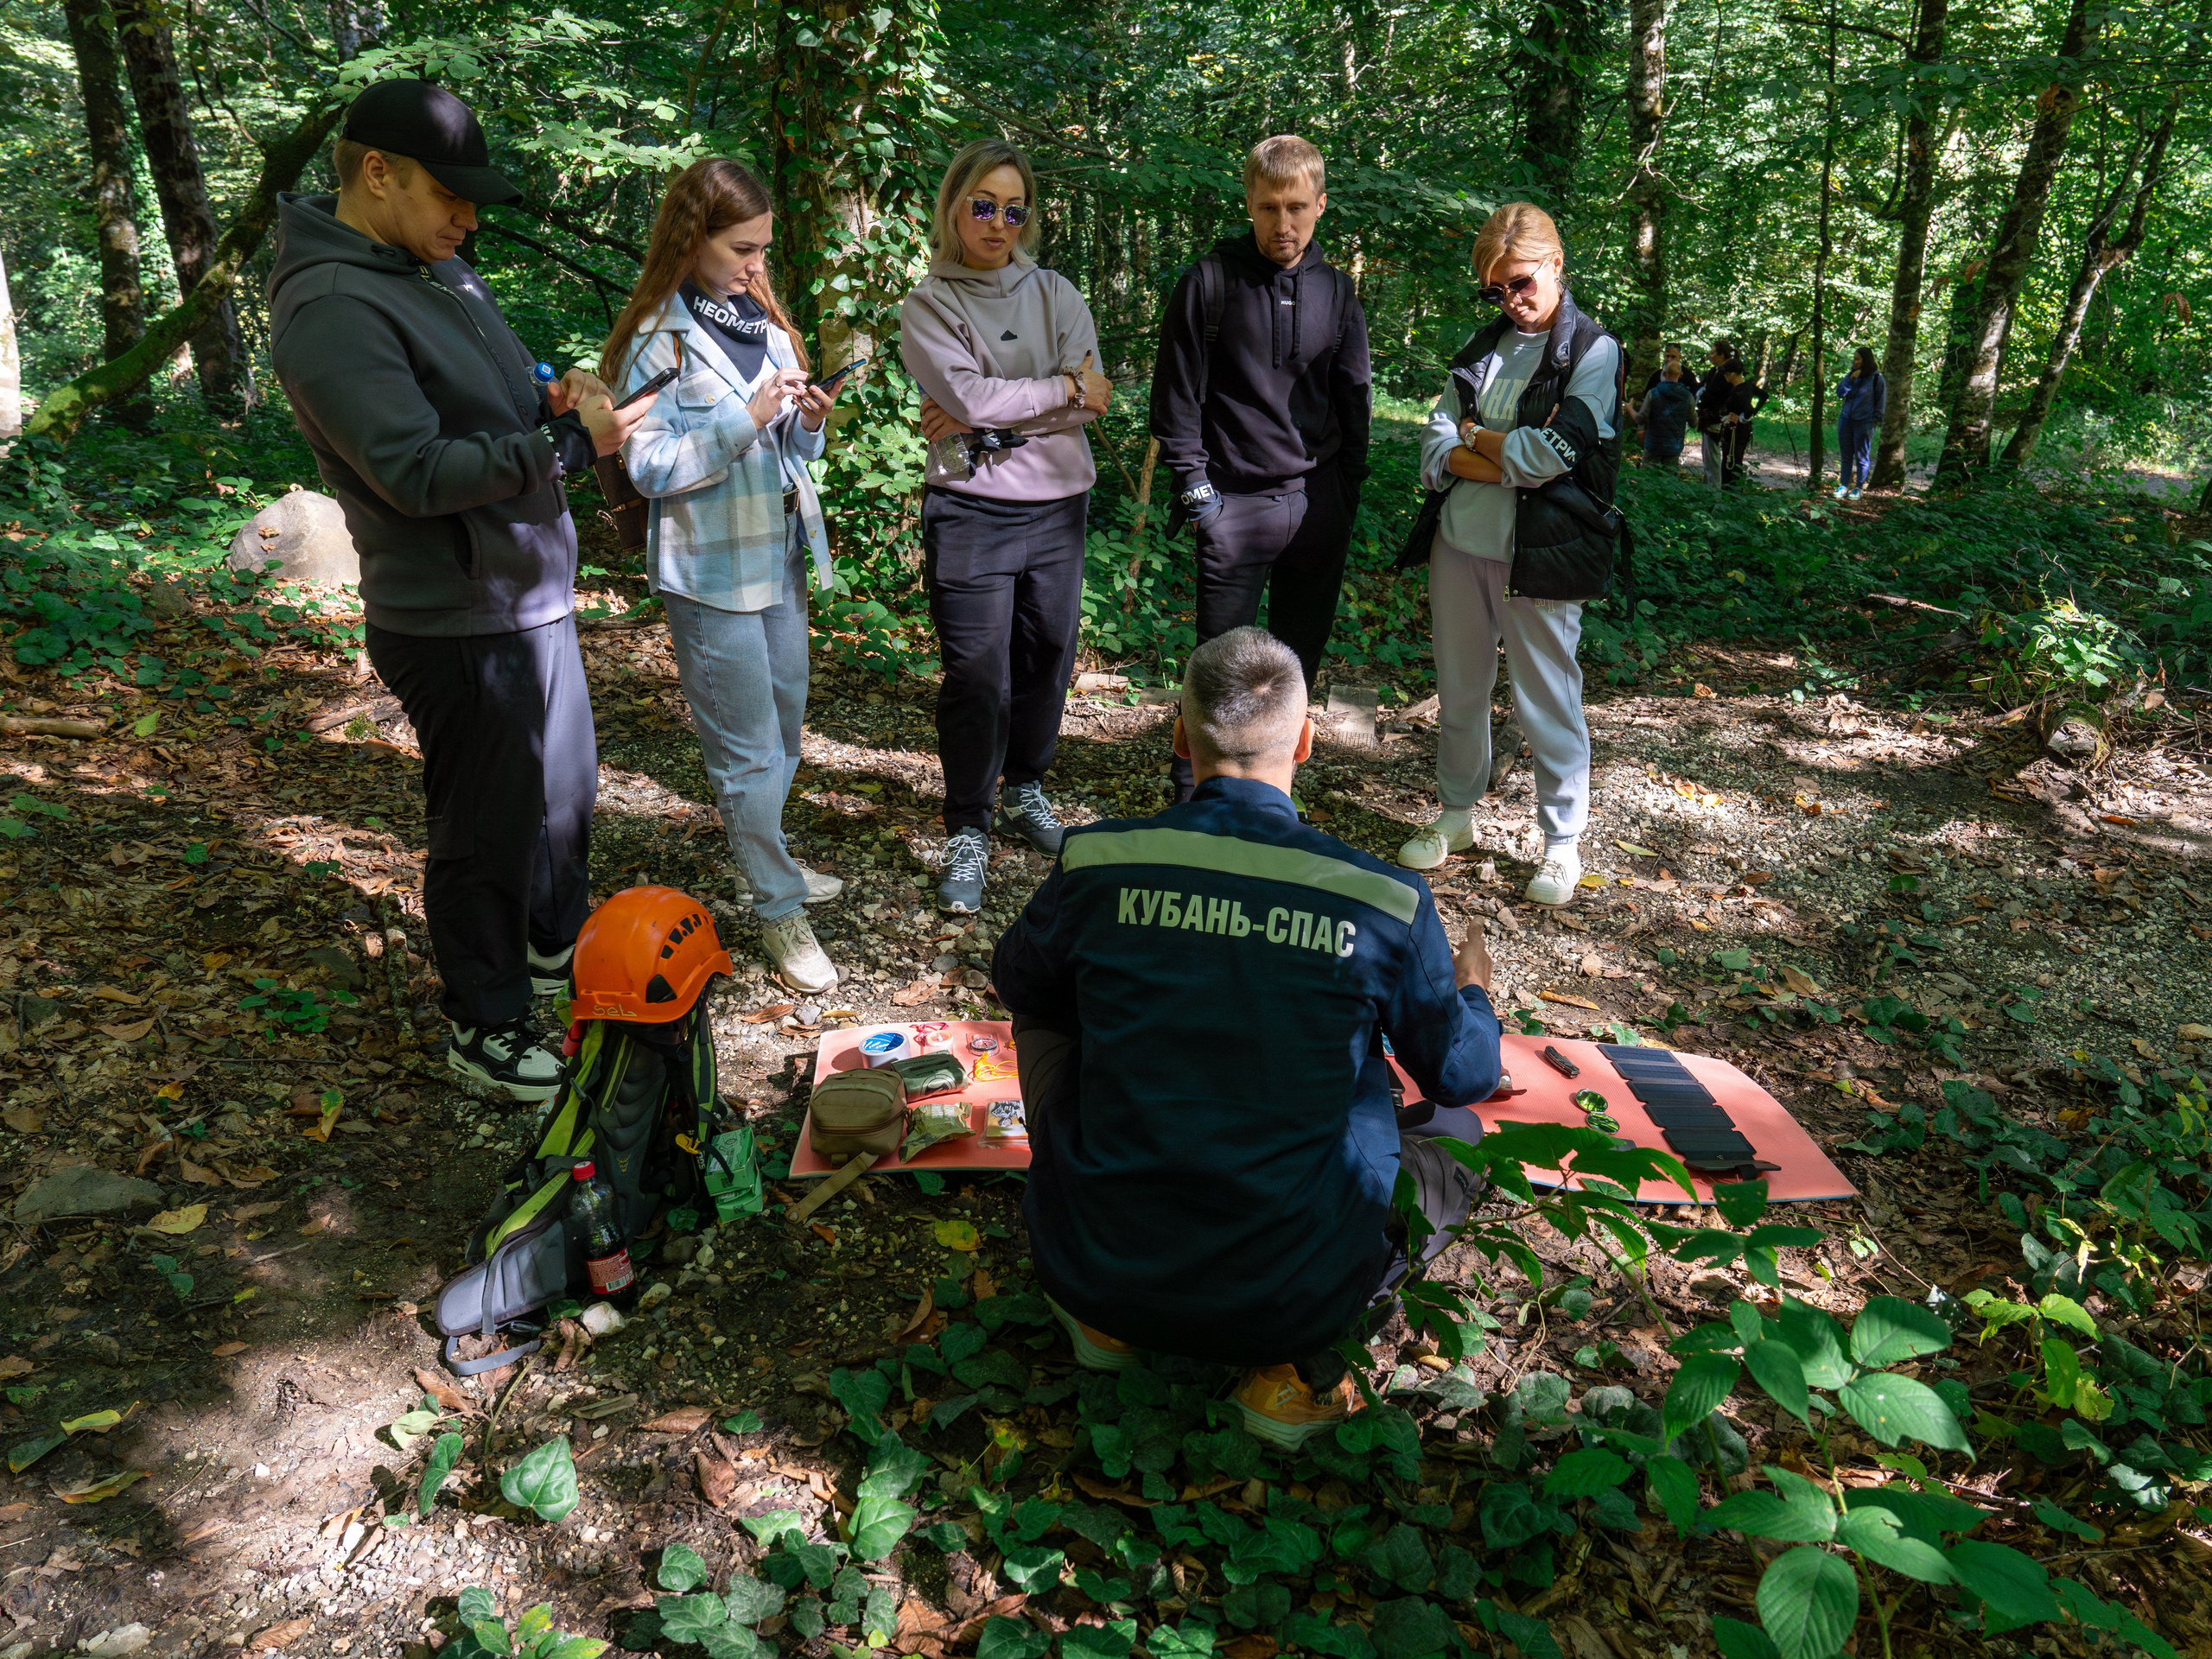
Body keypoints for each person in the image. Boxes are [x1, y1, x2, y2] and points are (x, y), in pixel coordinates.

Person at [990, 626, 1502, 1445]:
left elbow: (1019, 985)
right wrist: (1473, 995)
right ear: (1304, 739)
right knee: (1456, 1135)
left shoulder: (1097, 860)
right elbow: (1464, 1073)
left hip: (1092, 1261)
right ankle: (1289, 1373)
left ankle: (1110, 1325)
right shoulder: (1382, 901)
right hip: (1292, 1291)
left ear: (1180, 737)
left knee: (1043, 1006)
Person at [268, 80, 648, 1102]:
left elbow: (495, 382)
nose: (469, 217)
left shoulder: (431, 268)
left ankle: (550, 952)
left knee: (561, 799)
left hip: (526, 593)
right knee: (485, 832)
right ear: (377, 173)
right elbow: (417, 471)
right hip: (455, 613)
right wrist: (568, 444)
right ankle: (483, 1026)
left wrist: (549, 390)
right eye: (452, 193)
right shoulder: (332, 307)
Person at [600, 161, 850, 995]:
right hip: (709, 571)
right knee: (745, 755)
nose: (755, 267)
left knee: (783, 731)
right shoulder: (655, 339)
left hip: (778, 550)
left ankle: (767, 859)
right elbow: (650, 467)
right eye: (741, 249)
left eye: (763, 249)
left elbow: (791, 453)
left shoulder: (762, 322)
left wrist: (805, 424)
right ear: (692, 238)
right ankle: (778, 905)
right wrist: (743, 420)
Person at [900, 139, 1109, 915]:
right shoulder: (929, 303)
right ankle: (967, 825)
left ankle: (1026, 788)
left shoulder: (1056, 292)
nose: (997, 224)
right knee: (978, 676)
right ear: (954, 205)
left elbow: (1095, 397)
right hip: (970, 511)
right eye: (983, 205)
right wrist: (1049, 392)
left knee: (1049, 657)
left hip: (1058, 506)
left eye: (1013, 210)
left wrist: (990, 405)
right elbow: (994, 397)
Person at [1396, 202, 1619, 909]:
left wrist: (1479, 444)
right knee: (1460, 690)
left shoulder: (1593, 350)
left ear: (1556, 264)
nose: (1510, 300)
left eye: (1520, 282)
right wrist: (1496, 451)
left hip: (1543, 553)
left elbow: (1555, 453)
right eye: (1494, 290)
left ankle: (1562, 844)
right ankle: (1456, 816)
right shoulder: (1480, 349)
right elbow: (1433, 445)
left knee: (1547, 697)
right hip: (1459, 542)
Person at [1148, 134, 1373, 804]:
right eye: (1270, 207)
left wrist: (1343, 496)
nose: (1284, 224)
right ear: (1248, 202)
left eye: (1298, 207)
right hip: (1233, 503)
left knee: (1295, 670)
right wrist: (1198, 494)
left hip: (1315, 501)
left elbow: (1354, 398)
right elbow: (1176, 396)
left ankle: (1273, 798)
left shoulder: (1337, 292)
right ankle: (1193, 795)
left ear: (1321, 205)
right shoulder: (1209, 284)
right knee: (1218, 670)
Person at [1834, 346, 1885, 500]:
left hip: (1864, 422)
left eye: (1858, 359)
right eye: (1854, 359)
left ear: (1866, 360)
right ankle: (1843, 485)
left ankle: (1858, 488)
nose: (1855, 362)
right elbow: (1840, 393)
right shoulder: (1851, 376)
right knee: (1846, 455)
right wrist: (1850, 380)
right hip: (1846, 420)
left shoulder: (1877, 378)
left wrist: (1873, 421)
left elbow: (1880, 403)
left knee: (1862, 456)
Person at [1637, 361, 1698, 471]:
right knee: (1670, 481)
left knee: (1647, 479)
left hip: (1653, 445)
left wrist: (1629, 409)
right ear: (1681, 375)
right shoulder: (1688, 397)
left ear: (1664, 374)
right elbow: (1694, 423)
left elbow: (1640, 418)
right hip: (1674, 447)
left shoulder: (1653, 393)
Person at [1695, 339, 1737, 489]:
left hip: (1716, 421)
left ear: (1721, 355)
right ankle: (1708, 491)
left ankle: (1714, 496)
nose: (1710, 356)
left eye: (1713, 353)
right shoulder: (1715, 372)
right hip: (1708, 420)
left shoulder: (1725, 374)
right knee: (1707, 459)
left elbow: (1714, 396)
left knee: (1712, 460)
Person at [1721, 360, 1768, 486]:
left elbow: (1750, 406)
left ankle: (1730, 495)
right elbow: (1764, 396)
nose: (1724, 375)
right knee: (1733, 462)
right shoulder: (1746, 386)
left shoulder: (1740, 391)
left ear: (1733, 374)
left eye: (1726, 373)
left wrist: (1745, 416)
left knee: (1731, 464)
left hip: (1736, 432)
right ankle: (1732, 494)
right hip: (1739, 431)